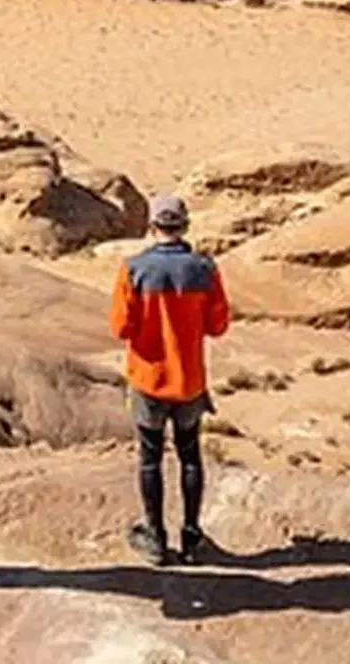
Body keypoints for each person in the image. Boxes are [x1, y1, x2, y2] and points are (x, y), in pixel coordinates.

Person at [109, 193, 230, 566]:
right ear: (185, 226)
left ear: (152, 226)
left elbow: (120, 328)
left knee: (150, 459)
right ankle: (192, 538)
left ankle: (156, 537)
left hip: (148, 379)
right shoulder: (204, 269)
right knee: (190, 456)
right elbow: (218, 325)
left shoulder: (133, 269)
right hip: (189, 380)